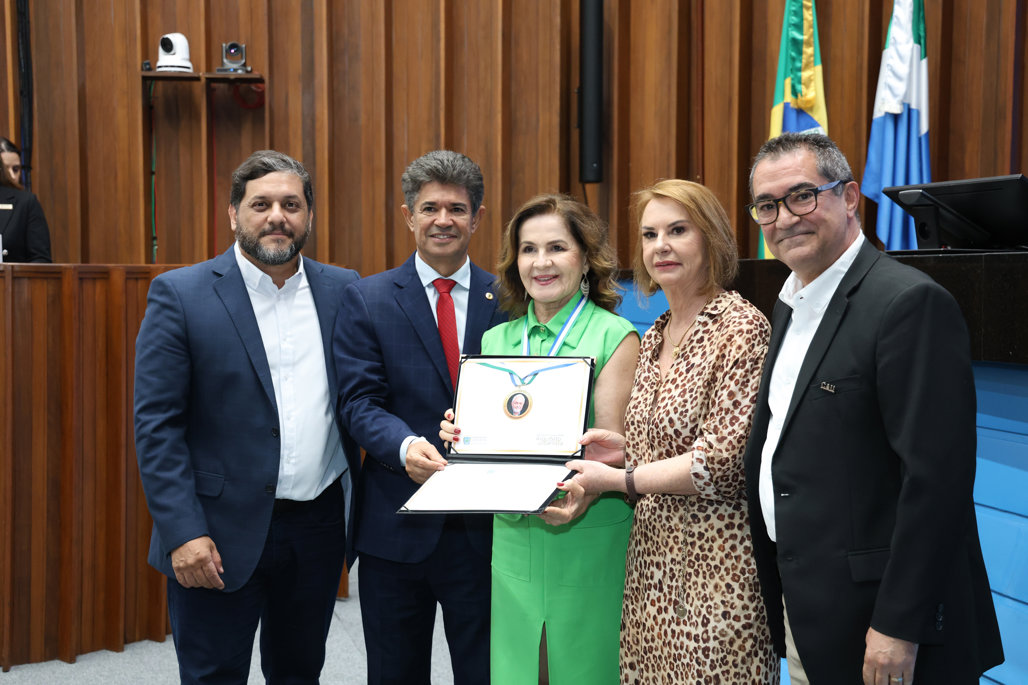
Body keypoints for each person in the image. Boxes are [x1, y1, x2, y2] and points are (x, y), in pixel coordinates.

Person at [743, 132, 1004, 684]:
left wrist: (898, 625)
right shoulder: (790, 303)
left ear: (849, 197)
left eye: (802, 196)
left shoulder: (908, 303)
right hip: (813, 606)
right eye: (767, 205)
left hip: (885, 626)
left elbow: (936, 483)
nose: (784, 218)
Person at [134, 150, 361, 684]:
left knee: (300, 672)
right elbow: (157, 427)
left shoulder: (344, 289)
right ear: (234, 213)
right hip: (215, 533)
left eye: (291, 204)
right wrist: (183, 532)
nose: (277, 216)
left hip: (317, 527)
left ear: (309, 215)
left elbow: (363, 394)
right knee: (213, 675)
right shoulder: (181, 294)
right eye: (261, 204)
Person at [557, 180, 779, 682]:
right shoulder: (657, 331)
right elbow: (665, 442)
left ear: (711, 238)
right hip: (650, 566)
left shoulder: (741, 328)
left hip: (717, 573)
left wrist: (620, 480)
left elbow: (719, 462)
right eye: (649, 234)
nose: (661, 246)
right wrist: (621, 451)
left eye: (678, 230)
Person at [442, 193, 640, 683]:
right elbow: (489, 438)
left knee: (582, 669)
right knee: (518, 670)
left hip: (586, 530)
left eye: (557, 247)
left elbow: (612, 448)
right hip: (514, 535)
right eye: (528, 249)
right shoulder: (496, 340)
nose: (541, 262)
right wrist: (462, 437)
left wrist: (584, 487)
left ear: (585, 259)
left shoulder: (616, 336)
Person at [334, 150, 505, 684]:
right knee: (395, 673)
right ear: (409, 216)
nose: (443, 220)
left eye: (457, 208)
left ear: (477, 218)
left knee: (487, 673)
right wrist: (405, 445)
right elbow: (359, 401)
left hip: (487, 530)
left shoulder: (511, 299)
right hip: (396, 525)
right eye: (430, 208)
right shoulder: (367, 298)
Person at [0, 137, 52, 263]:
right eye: (6, 169)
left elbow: (41, 259)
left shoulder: (26, 202)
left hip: (12, 275)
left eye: (16, 169)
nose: (11, 175)